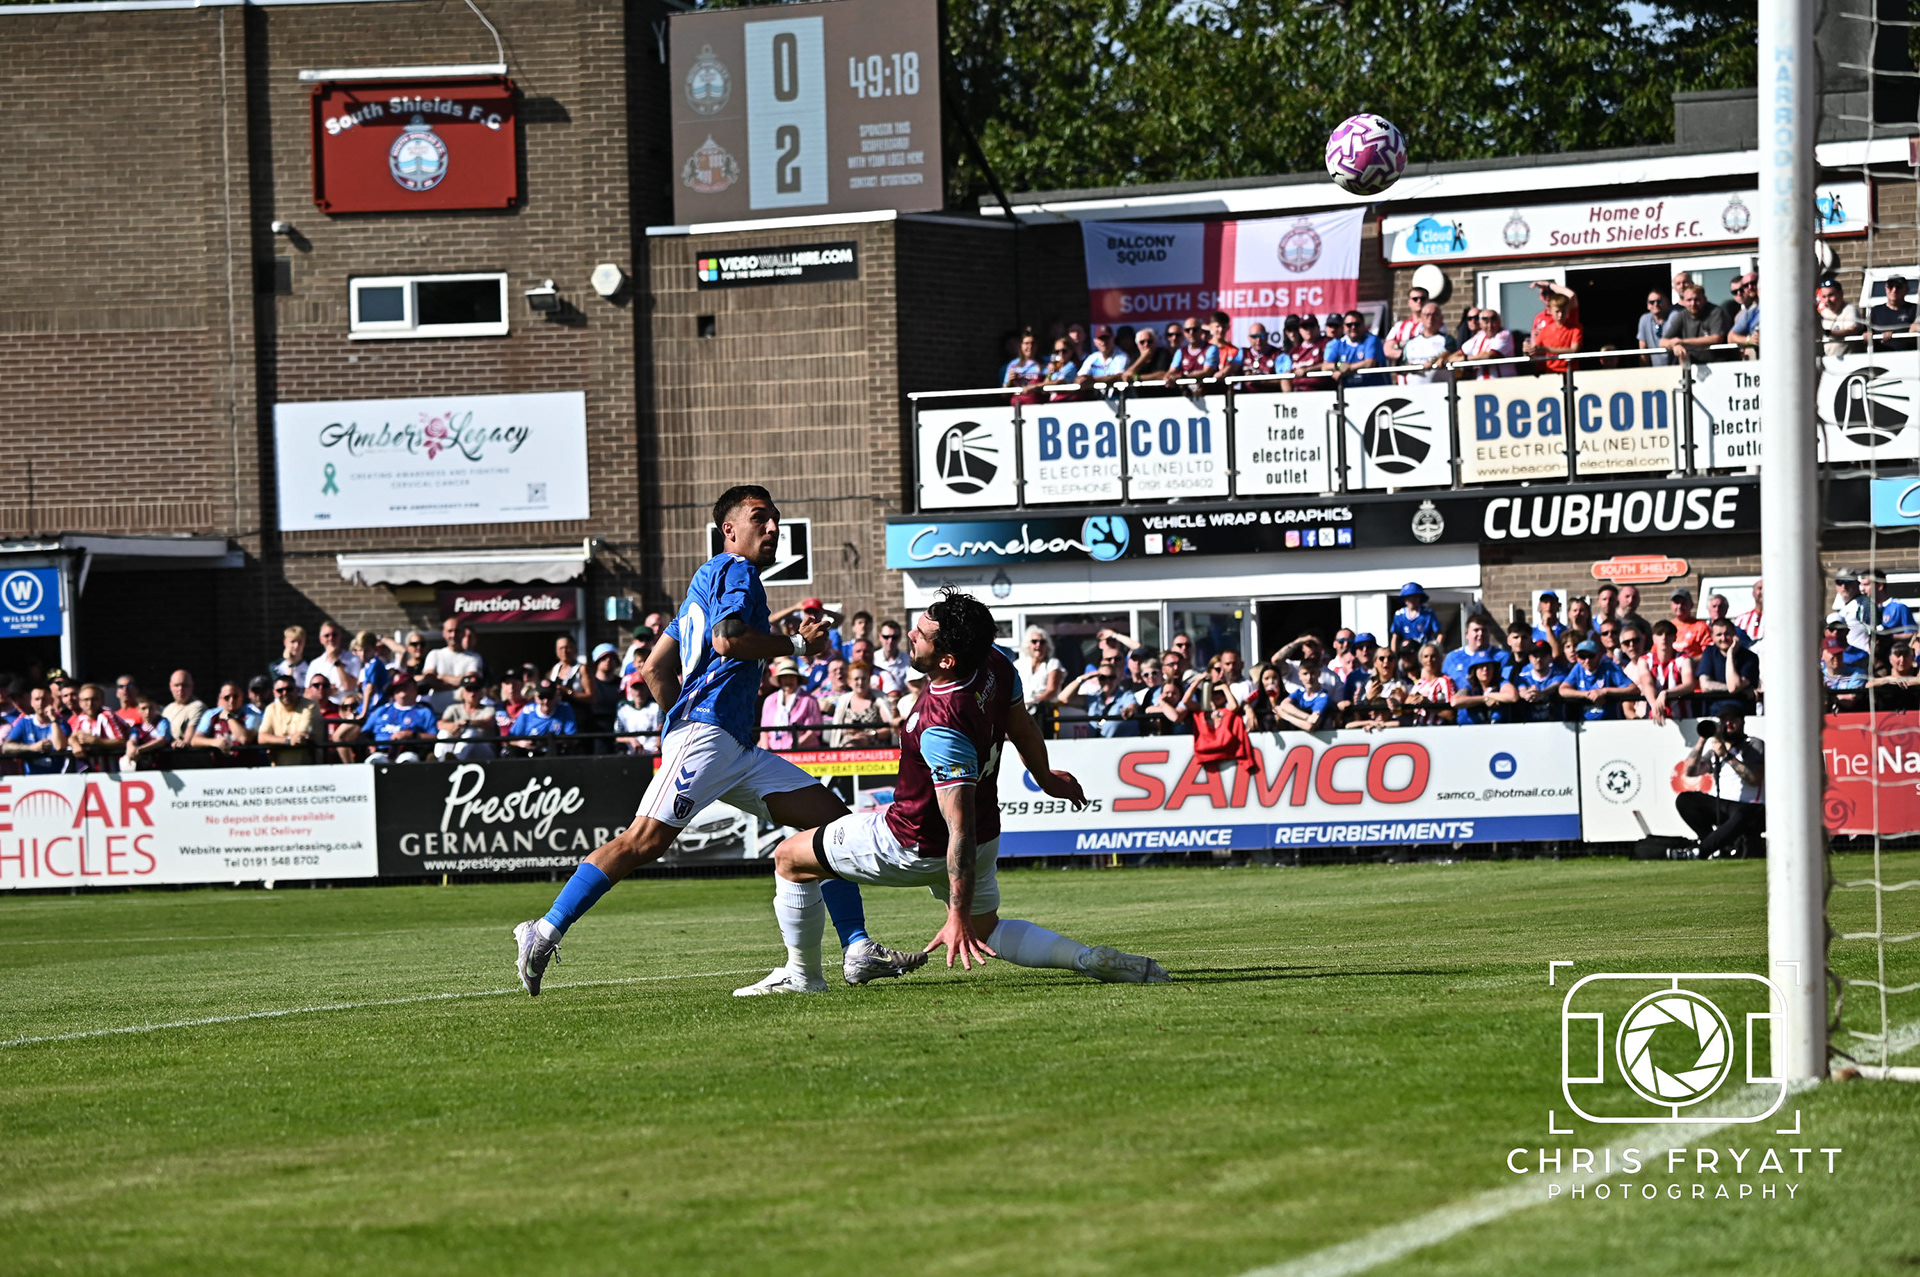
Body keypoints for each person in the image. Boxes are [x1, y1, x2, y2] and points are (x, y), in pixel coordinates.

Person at [516, 486, 924, 995]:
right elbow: (727, 640)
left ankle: (856, 948)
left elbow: (653, 667)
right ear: (728, 530)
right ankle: (543, 930)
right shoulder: (737, 570)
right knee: (643, 842)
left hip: (731, 745)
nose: (773, 528)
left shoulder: (702, 583)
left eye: (776, 520)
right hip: (709, 736)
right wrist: (799, 645)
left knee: (830, 824)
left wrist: (684, 718)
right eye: (760, 518)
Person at [736, 588, 1168, 996]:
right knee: (988, 930)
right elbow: (1021, 725)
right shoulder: (995, 662)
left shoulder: (941, 721)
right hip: (982, 836)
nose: (911, 635)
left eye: (920, 634)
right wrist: (1046, 778)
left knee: (790, 858)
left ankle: (803, 976)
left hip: (914, 843)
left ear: (946, 659)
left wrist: (956, 914)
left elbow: (957, 826)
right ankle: (1087, 958)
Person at [1676, 702, 1766, 858]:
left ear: (1742, 722)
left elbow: (1754, 779)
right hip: (1723, 805)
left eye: (1733, 720)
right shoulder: (1715, 751)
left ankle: (1701, 851)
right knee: (1685, 800)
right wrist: (1703, 739)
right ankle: (1712, 844)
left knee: (1741, 813)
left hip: (1750, 807)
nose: (1728, 724)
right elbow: (1690, 772)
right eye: (1724, 720)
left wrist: (1726, 756)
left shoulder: (1753, 744)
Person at [1625, 621, 1698, 723]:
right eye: (1660, 634)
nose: (1664, 637)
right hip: (1653, 718)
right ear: (1654, 638)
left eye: (1668, 634)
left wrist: (1665, 693)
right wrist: (1655, 705)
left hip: (1682, 718)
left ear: (1675, 637)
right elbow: (1647, 685)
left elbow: (1689, 684)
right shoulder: (1645, 660)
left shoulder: (1684, 659)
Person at [364, 673, 439, 763]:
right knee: (374, 760)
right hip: (381, 751)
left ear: (415, 689)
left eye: (405, 687)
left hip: (409, 751)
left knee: (407, 760)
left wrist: (412, 735)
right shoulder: (381, 710)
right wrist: (369, 744)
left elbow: (434, 737)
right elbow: (364, 733)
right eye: (397, 688)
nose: (401, 691)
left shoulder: (424, 712)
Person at [1060, 659, 1139, 737]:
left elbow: (1132, 706)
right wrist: (1082, 678)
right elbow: (1063, 698)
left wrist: (1130, 709)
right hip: (1096, 743)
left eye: (1111, 677)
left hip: (1122, 743)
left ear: (1118, 679)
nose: (1107, 681)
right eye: (1103, 678)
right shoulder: (1093, 698)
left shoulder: (1126, 695)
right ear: (1097, 679)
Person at [1559, 639, 1636, 720]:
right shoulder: (1578, 668)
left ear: (1599, 655)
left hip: (1609, 722)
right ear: (1577, 657)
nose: (1587, 660)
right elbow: (1563, 690)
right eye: (1582, 656)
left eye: (1591, 656)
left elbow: (1633, 689)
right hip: (1585, 722)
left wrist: (1604, 691)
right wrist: (1587, 694)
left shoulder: (1610, 668)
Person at [257, 675, 324, 765]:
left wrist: (274, 739)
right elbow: (262, 737)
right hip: (279, 769)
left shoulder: (310, 706)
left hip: (307, 767)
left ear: (297, 690)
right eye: (280, 690)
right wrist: (288, 740)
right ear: (274, 693)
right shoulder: (271, 708)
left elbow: (300, 738)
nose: (285, 693)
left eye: (289, 689)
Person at [1695, 617, 1761, 708]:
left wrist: (1730, 654)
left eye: (1727, 634)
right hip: (1715, 711)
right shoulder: (1709, 653)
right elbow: (1705, 686)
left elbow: (1735, 686)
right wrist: (1740, 690)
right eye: (1719, 635)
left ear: (1735, 633)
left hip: (1741, 711)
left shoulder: (1750, 657)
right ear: (1712, 637)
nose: (1723, 638)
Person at [1659, 284, 1732, 364]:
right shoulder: (1682, 315)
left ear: (1705, 299)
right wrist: (1675, 345)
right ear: (1683, 302)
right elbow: (1663, 342)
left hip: (1718, 364)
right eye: (1689, 300)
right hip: (1693, 365)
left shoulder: (1715, 312)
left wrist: (1683, 342)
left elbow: (1717, 338)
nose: (1693, 303)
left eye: (1697, 300)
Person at [437, 672, 501, 761]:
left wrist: (468, 723)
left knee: (471, 732)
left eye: (476, 689)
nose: (472, 693)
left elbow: (489, 723)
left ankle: (457, 760)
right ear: (462, 691)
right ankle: (440, 760)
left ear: (481, 692)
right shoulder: (453, 708)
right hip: (457, 746)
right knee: (444, 733)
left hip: (484, 752)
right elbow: (440, 724)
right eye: (469, 689)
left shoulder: (488, 708)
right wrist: (452, 727)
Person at [4, 686, 68, 773]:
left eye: (44, 699)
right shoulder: (25, 722)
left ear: (51, 701)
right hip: (32, 777)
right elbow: (6, 747)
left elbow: (60, 746)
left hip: (58, 776)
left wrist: (53, 720)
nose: (40, 703)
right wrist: (32, 747)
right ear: (32, 702)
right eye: (37, 699)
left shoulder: (61, 723)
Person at [187, 681, 256, 761]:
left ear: (242, 696)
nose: (231, 700)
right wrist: (214, 742)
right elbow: (195, 741)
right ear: (221, 698)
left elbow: (244, 739)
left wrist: (228, 717)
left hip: (245, 765)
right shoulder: (211, 714)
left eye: (235, 696)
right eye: (227, 697)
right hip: (218, 765)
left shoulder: (253, 714)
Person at [831, 661, 894, 747]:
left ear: (869, 680)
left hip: (873, 744)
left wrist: (870, 735)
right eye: (856, 679)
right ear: (849, 682)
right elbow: (837, 730)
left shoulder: (880, 699)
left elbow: (890, 727)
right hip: (847, 745)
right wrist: (849, 730)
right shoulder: (844, 701)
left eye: (864, 678)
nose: (860, 682)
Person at [509, 680, 580, 754]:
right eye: (542, 697)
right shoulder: (528, 711)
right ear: (536, 697)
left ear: (556, 696)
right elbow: (510, 739)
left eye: (550, 697)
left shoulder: (565, 709)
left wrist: (549, 741)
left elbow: (573, 739)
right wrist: (520, 743)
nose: (546, 701)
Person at [1321, 309, 1386, 387]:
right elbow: (1325, 366)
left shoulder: (1372, 340)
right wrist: (1339, 366)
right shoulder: (1338, 343)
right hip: (1349, 390)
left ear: (1363, 325)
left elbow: (1370, 363)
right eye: (1349, 325)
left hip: (1375, 389)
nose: (1353, 327)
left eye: (1357, 324)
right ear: (1344, 326)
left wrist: (1349, 368)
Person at [1526, 287, 1582, 373]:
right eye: (1557, 311)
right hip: (1551, 373)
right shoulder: (1544, 330)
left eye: (1563, 311)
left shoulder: (1575, 328)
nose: (1560, 315)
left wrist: (1545, 349)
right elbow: (1535, 352)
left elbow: (1573, 350)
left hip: (1571, 373)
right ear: (1551, 310)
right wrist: (1527, 349)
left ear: (1568, 310)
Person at [422, 617, 484, 694]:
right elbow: (430, 679)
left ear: (463, 633)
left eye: (457, 631)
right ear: (444, 633)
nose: (453, 635)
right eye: (450, 631)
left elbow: (470, 681)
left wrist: (443, 677)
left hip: (461, 701)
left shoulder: (474, 657)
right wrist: (459, 683)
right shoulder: (434, 654)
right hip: (437, 701)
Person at [1442, 616, 1504, 690]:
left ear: (1489, 633)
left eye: (1484, 630)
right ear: (1467, 634)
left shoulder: (1502, 656)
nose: (1480, 633)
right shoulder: (1452, 658)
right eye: (1476, 630)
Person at [1452, 307, 1516, 377]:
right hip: (1480, 381)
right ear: (1480, 324)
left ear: (1499, 321)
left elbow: (1489, 356)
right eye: (1486, 322)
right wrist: (1450, 358)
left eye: (1493, 321)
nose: (1490, 326)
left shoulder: (1504, 334)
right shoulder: (1479, 336)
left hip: (1502, 380)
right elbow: (1459, 353)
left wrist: (1465, 359)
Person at [1399, 302, 1454, 383]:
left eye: (1434, 315)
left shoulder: (1447, 340)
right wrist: (1411, 368)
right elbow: (1401, 366)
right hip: (1413, 388)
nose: (1430, 318)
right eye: (1427, 315)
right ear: (1421, 317)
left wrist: (1432, 362)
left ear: (1441, 318)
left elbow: (1450, 353)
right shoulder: (1410, 342)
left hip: (1440, 387)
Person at [1449, 658, 1511, 725]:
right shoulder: (1469, 686)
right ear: (1475, 671)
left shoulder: (1501, 683)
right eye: (1481, 666)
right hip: (1469, 728)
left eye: (1488, 666)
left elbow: (1512, 696)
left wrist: (1491, 695)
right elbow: (1455, 702)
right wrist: (1485, 699)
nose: (1485, 669)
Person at [613, 672, 663, 755]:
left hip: (653, 752)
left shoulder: (656, 707)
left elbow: (660, 727)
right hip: (632, 754)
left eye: (641, 688)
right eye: (635, 688)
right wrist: (631, 740)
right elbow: (618, 736)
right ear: (631, 691)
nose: (638, 692)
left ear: (647, 690)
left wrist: (657, 748)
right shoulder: (623, 709)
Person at [1381, 285, 1430, 365]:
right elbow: (1387, 350)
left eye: (1422, 298)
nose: (1419, 301)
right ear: (1409, 302)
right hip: (1404, 370)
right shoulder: (1399, 326)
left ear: (1428, 301)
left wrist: (1399, 346)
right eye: (1415, 299)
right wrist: (1406, 354)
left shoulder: (1435, 325)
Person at [1017, 626, 1064, 709]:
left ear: (1047, 645)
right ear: (1028, 644)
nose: (1038, 645)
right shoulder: (1019, 664)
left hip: (1045, 709)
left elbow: (1052, 690)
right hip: (1021, 709)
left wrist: (1033, 703)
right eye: (1034, 641)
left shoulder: (1053, 663)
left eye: (1042, 642)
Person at [1861, 567, 1917, 636]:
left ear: (1880, 586)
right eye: (1861, 585)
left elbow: (1912, 634)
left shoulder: (1898, 608)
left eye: (1866, 584)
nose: (1862, 589)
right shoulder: (1866, 608)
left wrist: (1889, 637)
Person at [1075, 324, 1131, 393]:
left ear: (1113, 339)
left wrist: (1093, 380)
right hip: (1098, 397)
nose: (1103, 343)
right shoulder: (1092, 357)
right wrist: (1080, 380)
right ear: (1095, 341)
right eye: (1101, 339)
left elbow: (1119, 376)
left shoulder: (1122, 356)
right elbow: (1080, 375)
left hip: (1118, 396)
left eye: (1106, 339)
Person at [1165, 315, 1216, 387]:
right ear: (1184, 332)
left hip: (1209, 392)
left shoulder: (1211, 348)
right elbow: (1172, 370)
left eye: (1195, 329)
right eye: (1187, 330)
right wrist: (1168, 377)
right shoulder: (1181, 351)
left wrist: (1182, 377)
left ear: (1201, 331)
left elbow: (1207, 372)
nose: (1191, 333)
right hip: (1186, 393)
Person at [1867, 641, 1920, 711]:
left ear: (1912, 658)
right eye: (1898, 655)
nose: (1902, 660)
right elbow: (1868, 684)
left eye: (1906, 655)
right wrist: (1889, 680)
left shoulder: (1917, 671)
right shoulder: (1884, 672)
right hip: (1886, 713)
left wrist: (1901, 680)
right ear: (1890, 659)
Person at [1818, 278, 1864, 357]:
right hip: (1827, 359)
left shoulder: (1850, 310)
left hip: (1849, 360)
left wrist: (1828, 333)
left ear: (1841, 294)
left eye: (1831, 295)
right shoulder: (1823, 313)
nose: (1827, 300)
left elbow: (1852, 330)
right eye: (1824, 297)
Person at [1390, 582, 1444, 649]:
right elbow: (1395, 637)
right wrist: (1394, 654)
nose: (1412, 600)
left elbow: (1440, 634)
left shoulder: (1428, 613)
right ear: (1404, 599)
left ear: (1420, 597)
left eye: (1415, 596)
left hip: (1424, 649)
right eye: (1409, 597)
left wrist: (1435, 649)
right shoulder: (1399, 614)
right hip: (1407, 650)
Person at [1869, 275, 1916, 348]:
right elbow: (1866, 331)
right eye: (1890, 287)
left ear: (1906, 290)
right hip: (1881, 353)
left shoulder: (1915, 309)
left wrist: (1894, 334)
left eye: (1898, 287)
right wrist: (1867, 334)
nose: (1894, 290)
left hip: (1910, 353)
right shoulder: (1875, 311)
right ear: (1886, 289)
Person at [1825, 635, 1870, 712]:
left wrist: (1830, 696)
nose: (1836, 657)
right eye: (1832, 653)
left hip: (1847, 715)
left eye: (1839, 653)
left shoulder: (1857, 673)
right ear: (1822, 655)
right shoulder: (1816, 675)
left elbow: (1850, 701)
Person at [1289, 315, 1334, 391]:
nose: (1308, 330)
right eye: (1305, 327)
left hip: (1322, 391)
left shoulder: (1327, 344)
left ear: (1318, 328)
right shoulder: (1294, 351)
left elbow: (1330, 364)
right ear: (1299, 330)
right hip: (1297, 392)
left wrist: (1307, 369)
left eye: (1311, 326)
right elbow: (1286, 373)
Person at [160, 669, 205, 744]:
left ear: (192, 686)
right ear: (170, 686)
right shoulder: (167, 709)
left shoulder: (198, 706)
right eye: (176, 685)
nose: (180, 689)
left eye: (185, 685)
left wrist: (184, 743)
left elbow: (190, 736)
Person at [1241, 323, 1292, 387]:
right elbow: (1232, 372)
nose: (1258, 340)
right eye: (1254, 336)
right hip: (1246, 393)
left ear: (1267, 336)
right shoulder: (1243, 353)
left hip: (1271, 393)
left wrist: (1261, 381)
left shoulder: (1278, 355)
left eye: (1262, 336)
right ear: (1249, 338)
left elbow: (1285, 380)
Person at [1001, 330, 1045, 405]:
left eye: (1033, 343)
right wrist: (1010, 381)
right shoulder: (1013, 365)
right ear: (1021, 345)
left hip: (1038, 405)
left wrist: (1034, 386)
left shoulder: (1045, 363)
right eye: (1026, 343)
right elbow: (1004, 394)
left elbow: (1053, 383)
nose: (1030, 346)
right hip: (1017, 405)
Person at [1666, 588, 1712, 658]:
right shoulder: (1667, 627)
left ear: (1691, 605)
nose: (1679, 606)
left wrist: (1690, 661)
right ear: (1671, 605)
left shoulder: (1701, 627)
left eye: (1683, 603)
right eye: (1676, 602)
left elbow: (1708, 653)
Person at [1638, 290, 1674, 366]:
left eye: (1659, 301)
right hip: (1656, 369)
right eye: (1652, 302)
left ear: (1667, 302)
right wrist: (1644, 371)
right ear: (1648, 305)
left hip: (1675, 367)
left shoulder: (1675, 316)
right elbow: (1643, 350)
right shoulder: (1644, 320)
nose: (1656, 304)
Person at [1728, 273, 1761, 354]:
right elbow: (1731, 337)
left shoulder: (1776, 306)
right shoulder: (1751, 313)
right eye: (1746, 285)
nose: (1750, 287)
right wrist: (1749, 340)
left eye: (1753, 283)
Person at [1734, 579, 1765, 647]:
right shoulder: (1741, 620)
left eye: (1766, 588)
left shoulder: (1778, 619)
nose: (1763, 591)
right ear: (1753, 593)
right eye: (1760, 588)